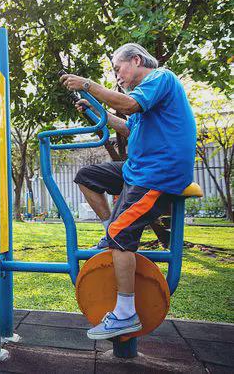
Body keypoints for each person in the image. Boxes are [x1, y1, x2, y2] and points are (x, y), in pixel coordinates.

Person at [60, 43, 196, 340]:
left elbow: (129, 106)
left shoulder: (160, 78)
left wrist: (86, 84)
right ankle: (111, 229)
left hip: (158, 174)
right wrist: (96, 113)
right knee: (87, 177)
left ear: (136, 60)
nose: (117, 76)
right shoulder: (146, 96)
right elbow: (128, 126)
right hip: (137, 169)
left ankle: (125, 314)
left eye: (118, 69)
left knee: (121, 235)